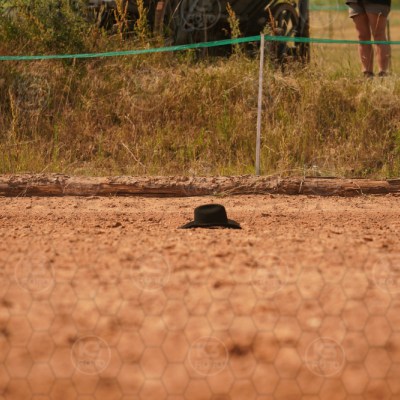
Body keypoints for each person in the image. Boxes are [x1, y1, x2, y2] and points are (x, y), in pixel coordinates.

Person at [346, 0, 391, 77]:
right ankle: (367, 74)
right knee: (362, 36)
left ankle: (383, 74)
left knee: (378, 35)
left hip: (377, 2)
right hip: (355, 1)